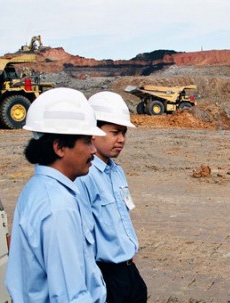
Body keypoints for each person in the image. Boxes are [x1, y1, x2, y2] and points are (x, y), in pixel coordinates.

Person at [5, 87, 107, 303]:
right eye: (87, 141)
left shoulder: (38, 189)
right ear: (60, 147)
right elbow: (70, 296)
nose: (93, 150)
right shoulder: (57, 206)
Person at [75, 91, 148, 303]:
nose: (121, 140)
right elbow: (82, 237)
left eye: (124, 133)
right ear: (92, 132)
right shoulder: (84, 177)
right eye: (114, 132)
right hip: (106, 275)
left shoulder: (117, 172)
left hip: (129, 271)